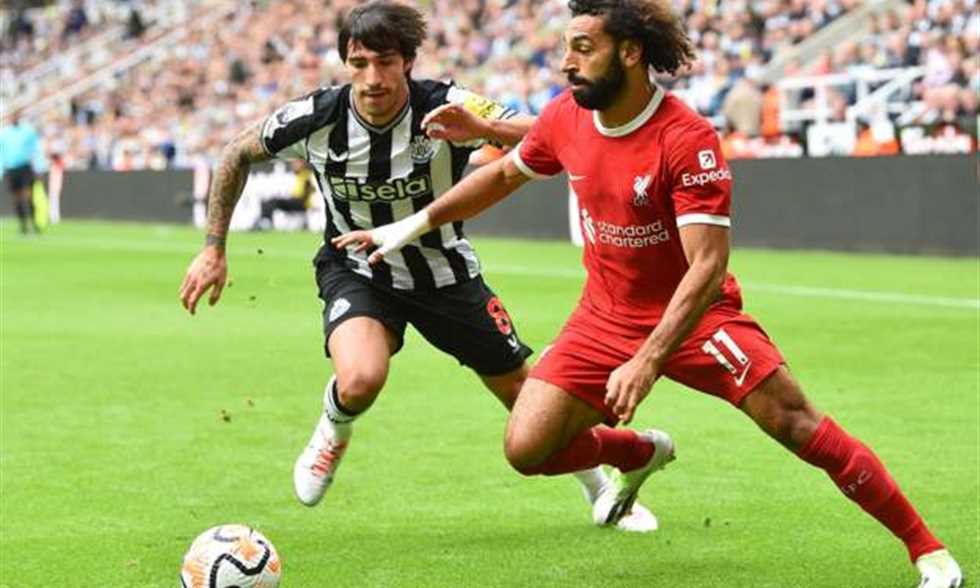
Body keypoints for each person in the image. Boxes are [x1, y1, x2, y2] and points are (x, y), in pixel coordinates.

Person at [332, 1, 963, 586]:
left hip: (696, 317)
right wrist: (410, 225)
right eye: (566, 47)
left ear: (630, 52)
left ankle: (928, 550)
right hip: (604, 317)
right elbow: (503, 174)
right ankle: (640, 452)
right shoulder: (569, 114)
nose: (566, 61)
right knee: (526, 449)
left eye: (583, 48)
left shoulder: (686, 139)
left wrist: (647, 358)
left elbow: (707, 267)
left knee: (795, 423)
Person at [179, 0, 657, 532]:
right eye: (359, 64)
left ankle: (603, 485)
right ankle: (333, 429)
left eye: (385, 62)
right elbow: (235, 153)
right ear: (346, 65)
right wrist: (213, 247)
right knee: (360, 380)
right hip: (358, 270)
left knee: (527, 403)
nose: (372, 78)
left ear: (407, 61)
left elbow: (547, 131)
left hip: (446, 275)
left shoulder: (447, 105)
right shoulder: (317, 118)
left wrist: (482, 126)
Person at [0, 113, 42, 234]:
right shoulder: (4, 133)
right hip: (11, 169)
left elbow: (36, 150)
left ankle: (34, 224)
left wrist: (38, 167)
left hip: (25, 167)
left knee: (28, 197)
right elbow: (1, 153)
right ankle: (23, 225)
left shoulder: (28, 131)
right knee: (17, 199)